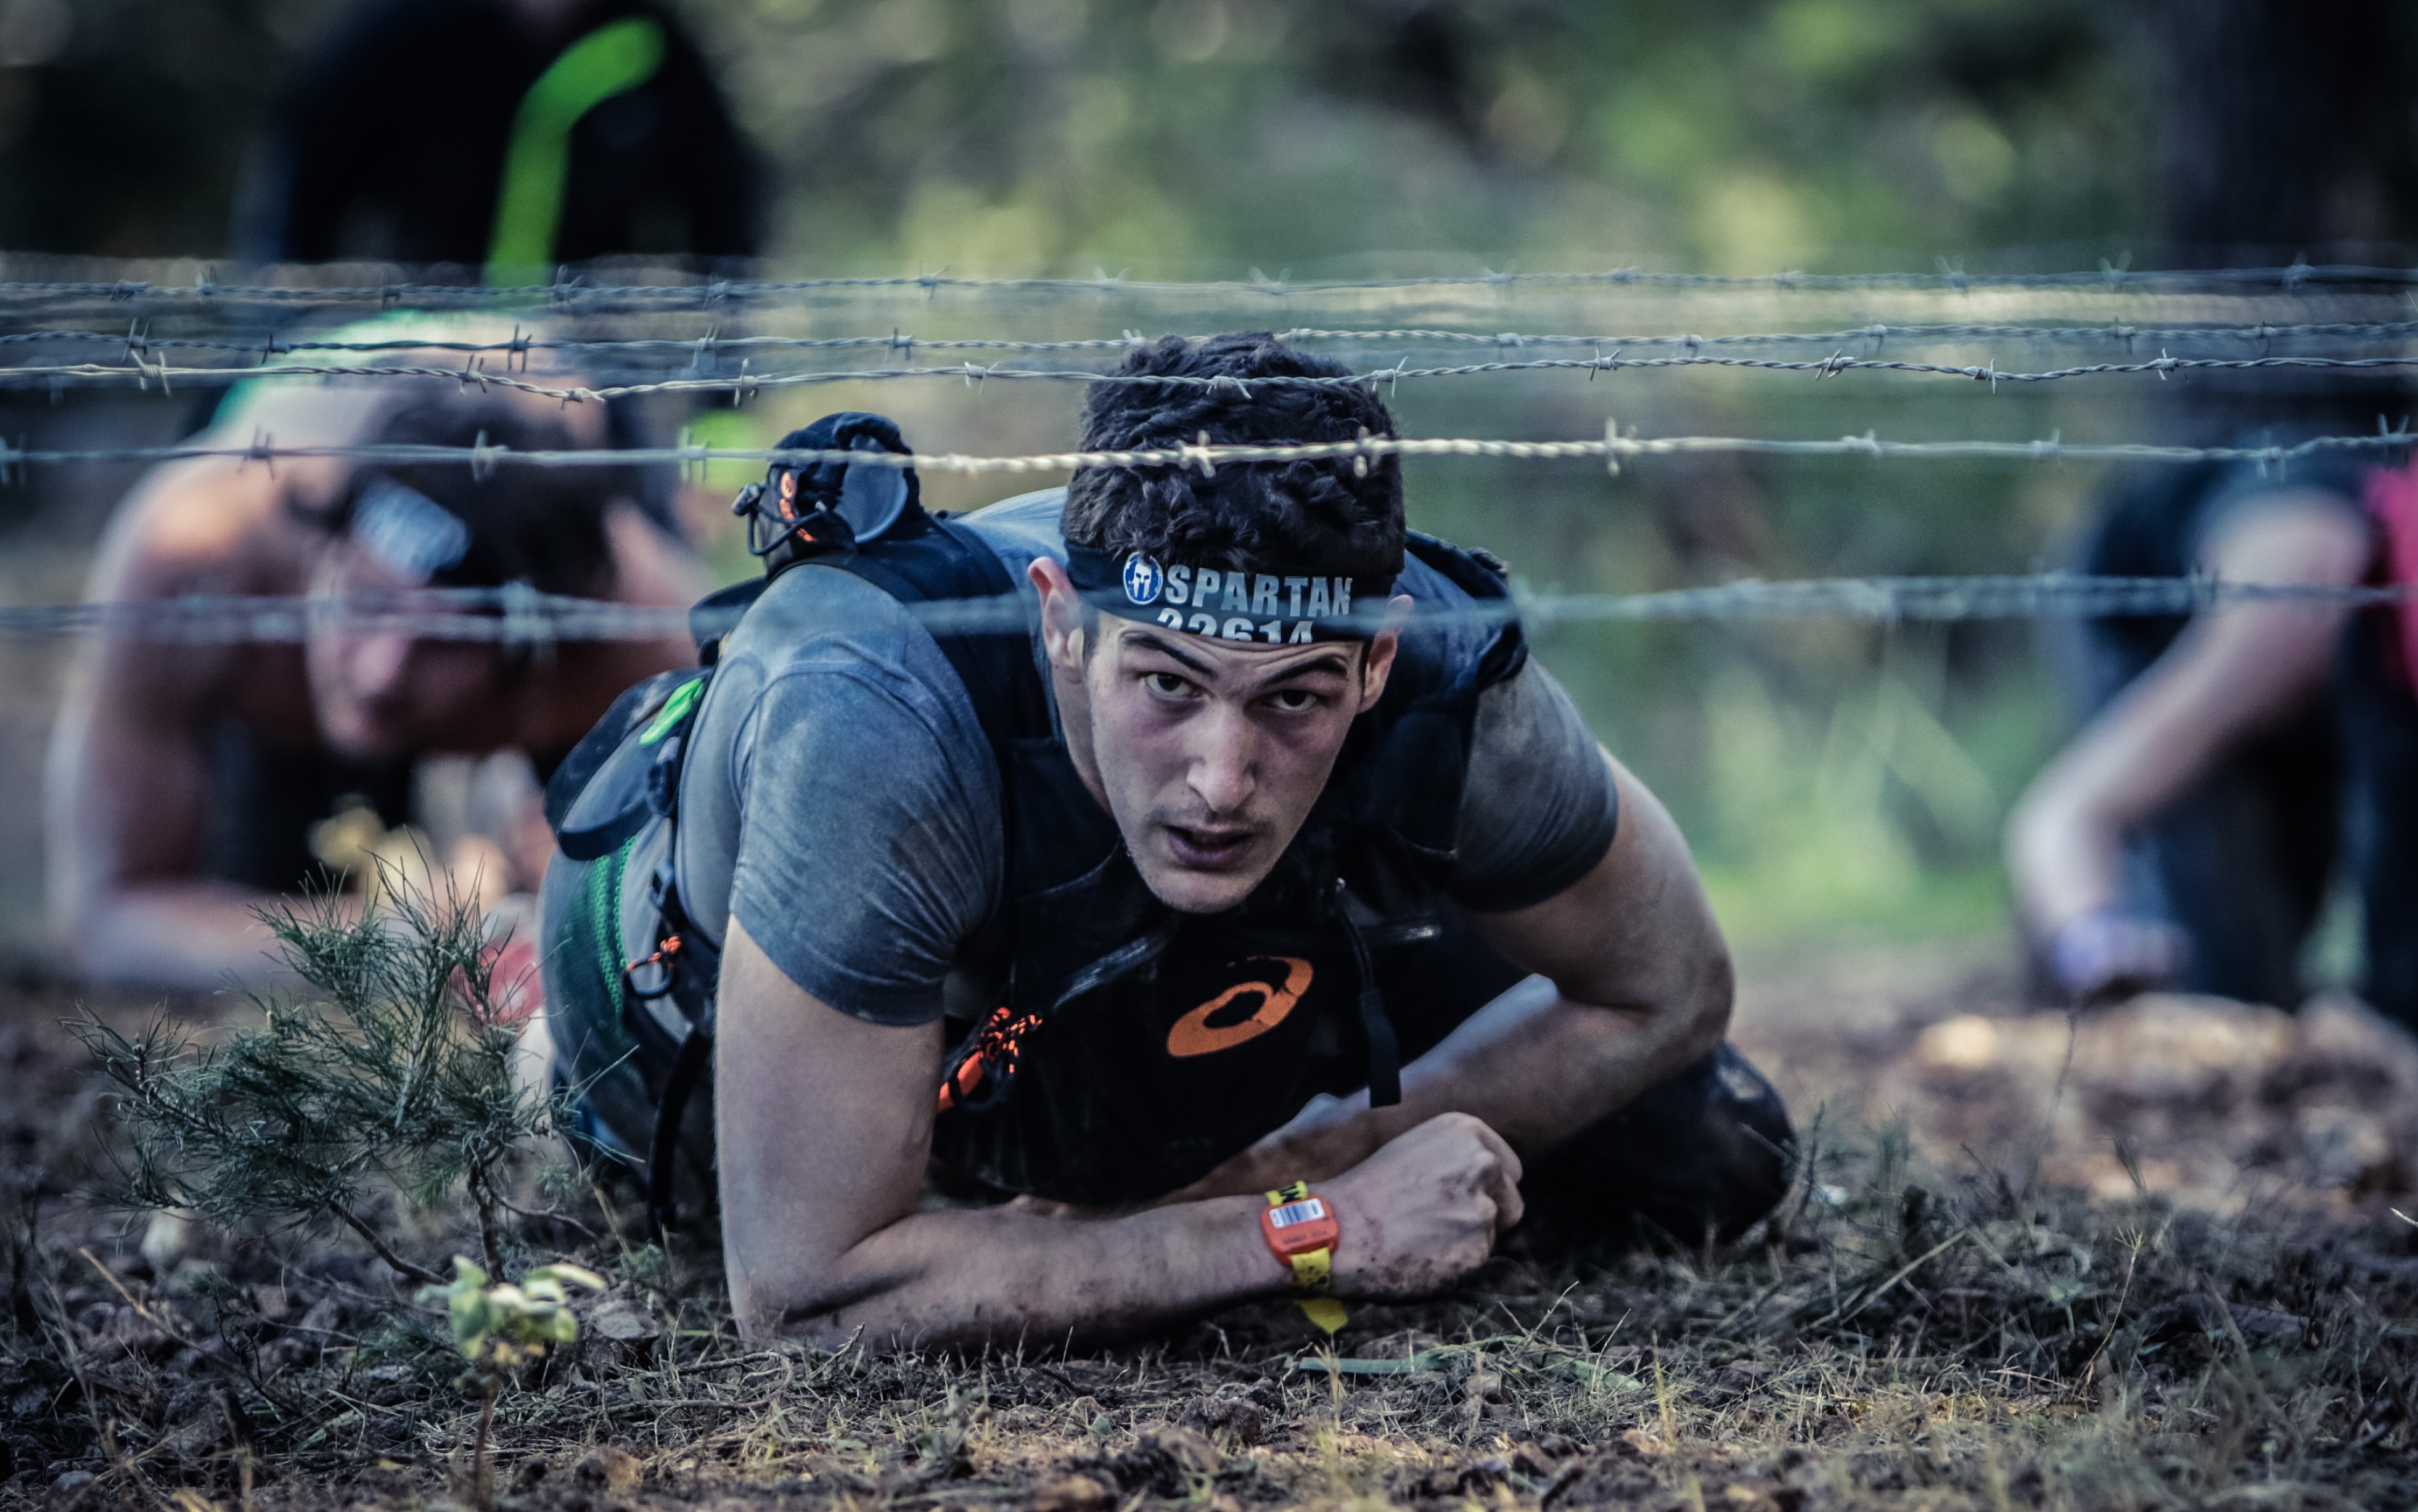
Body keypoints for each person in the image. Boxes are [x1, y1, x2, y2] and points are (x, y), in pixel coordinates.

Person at [538, 333, 1796, 1351]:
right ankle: (533, 1048)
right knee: (799, 1217)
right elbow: (805, 1297)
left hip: (1162, 970)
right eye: (1167, 686)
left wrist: (1277, 1161)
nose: (1220, 778)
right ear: (1060, 629)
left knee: (1711, 1142)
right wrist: (1310, 1226)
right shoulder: (875, 720)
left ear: (1374, 657)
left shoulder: (1450, 681)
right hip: (719, 1002)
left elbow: (1668, 987)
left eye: (1291, 698)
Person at [47, 383, 705, 992]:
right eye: (364, 605)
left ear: (540, 650)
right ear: (325, 557)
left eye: (446, 642)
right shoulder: (196, 565)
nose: (379, 674)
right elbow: (107, 921)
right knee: (265, 886)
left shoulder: (633, 634)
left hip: (562, 463)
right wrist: (403, 944)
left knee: (616, 914)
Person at [2005, 454, 2418, 1063]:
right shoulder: (2292, 608)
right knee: (2228, 986)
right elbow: (2063, 813)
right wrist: (2098, 944)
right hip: (2179, 616)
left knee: (2402, 1000)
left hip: (2334, 635)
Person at [234, 0, 759, 272]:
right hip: (417, 352)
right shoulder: (405, 34)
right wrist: (283, 344)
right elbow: (301, 182)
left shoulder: (654, 52)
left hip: (580, 376)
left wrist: (717, 418)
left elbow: (727, 215)